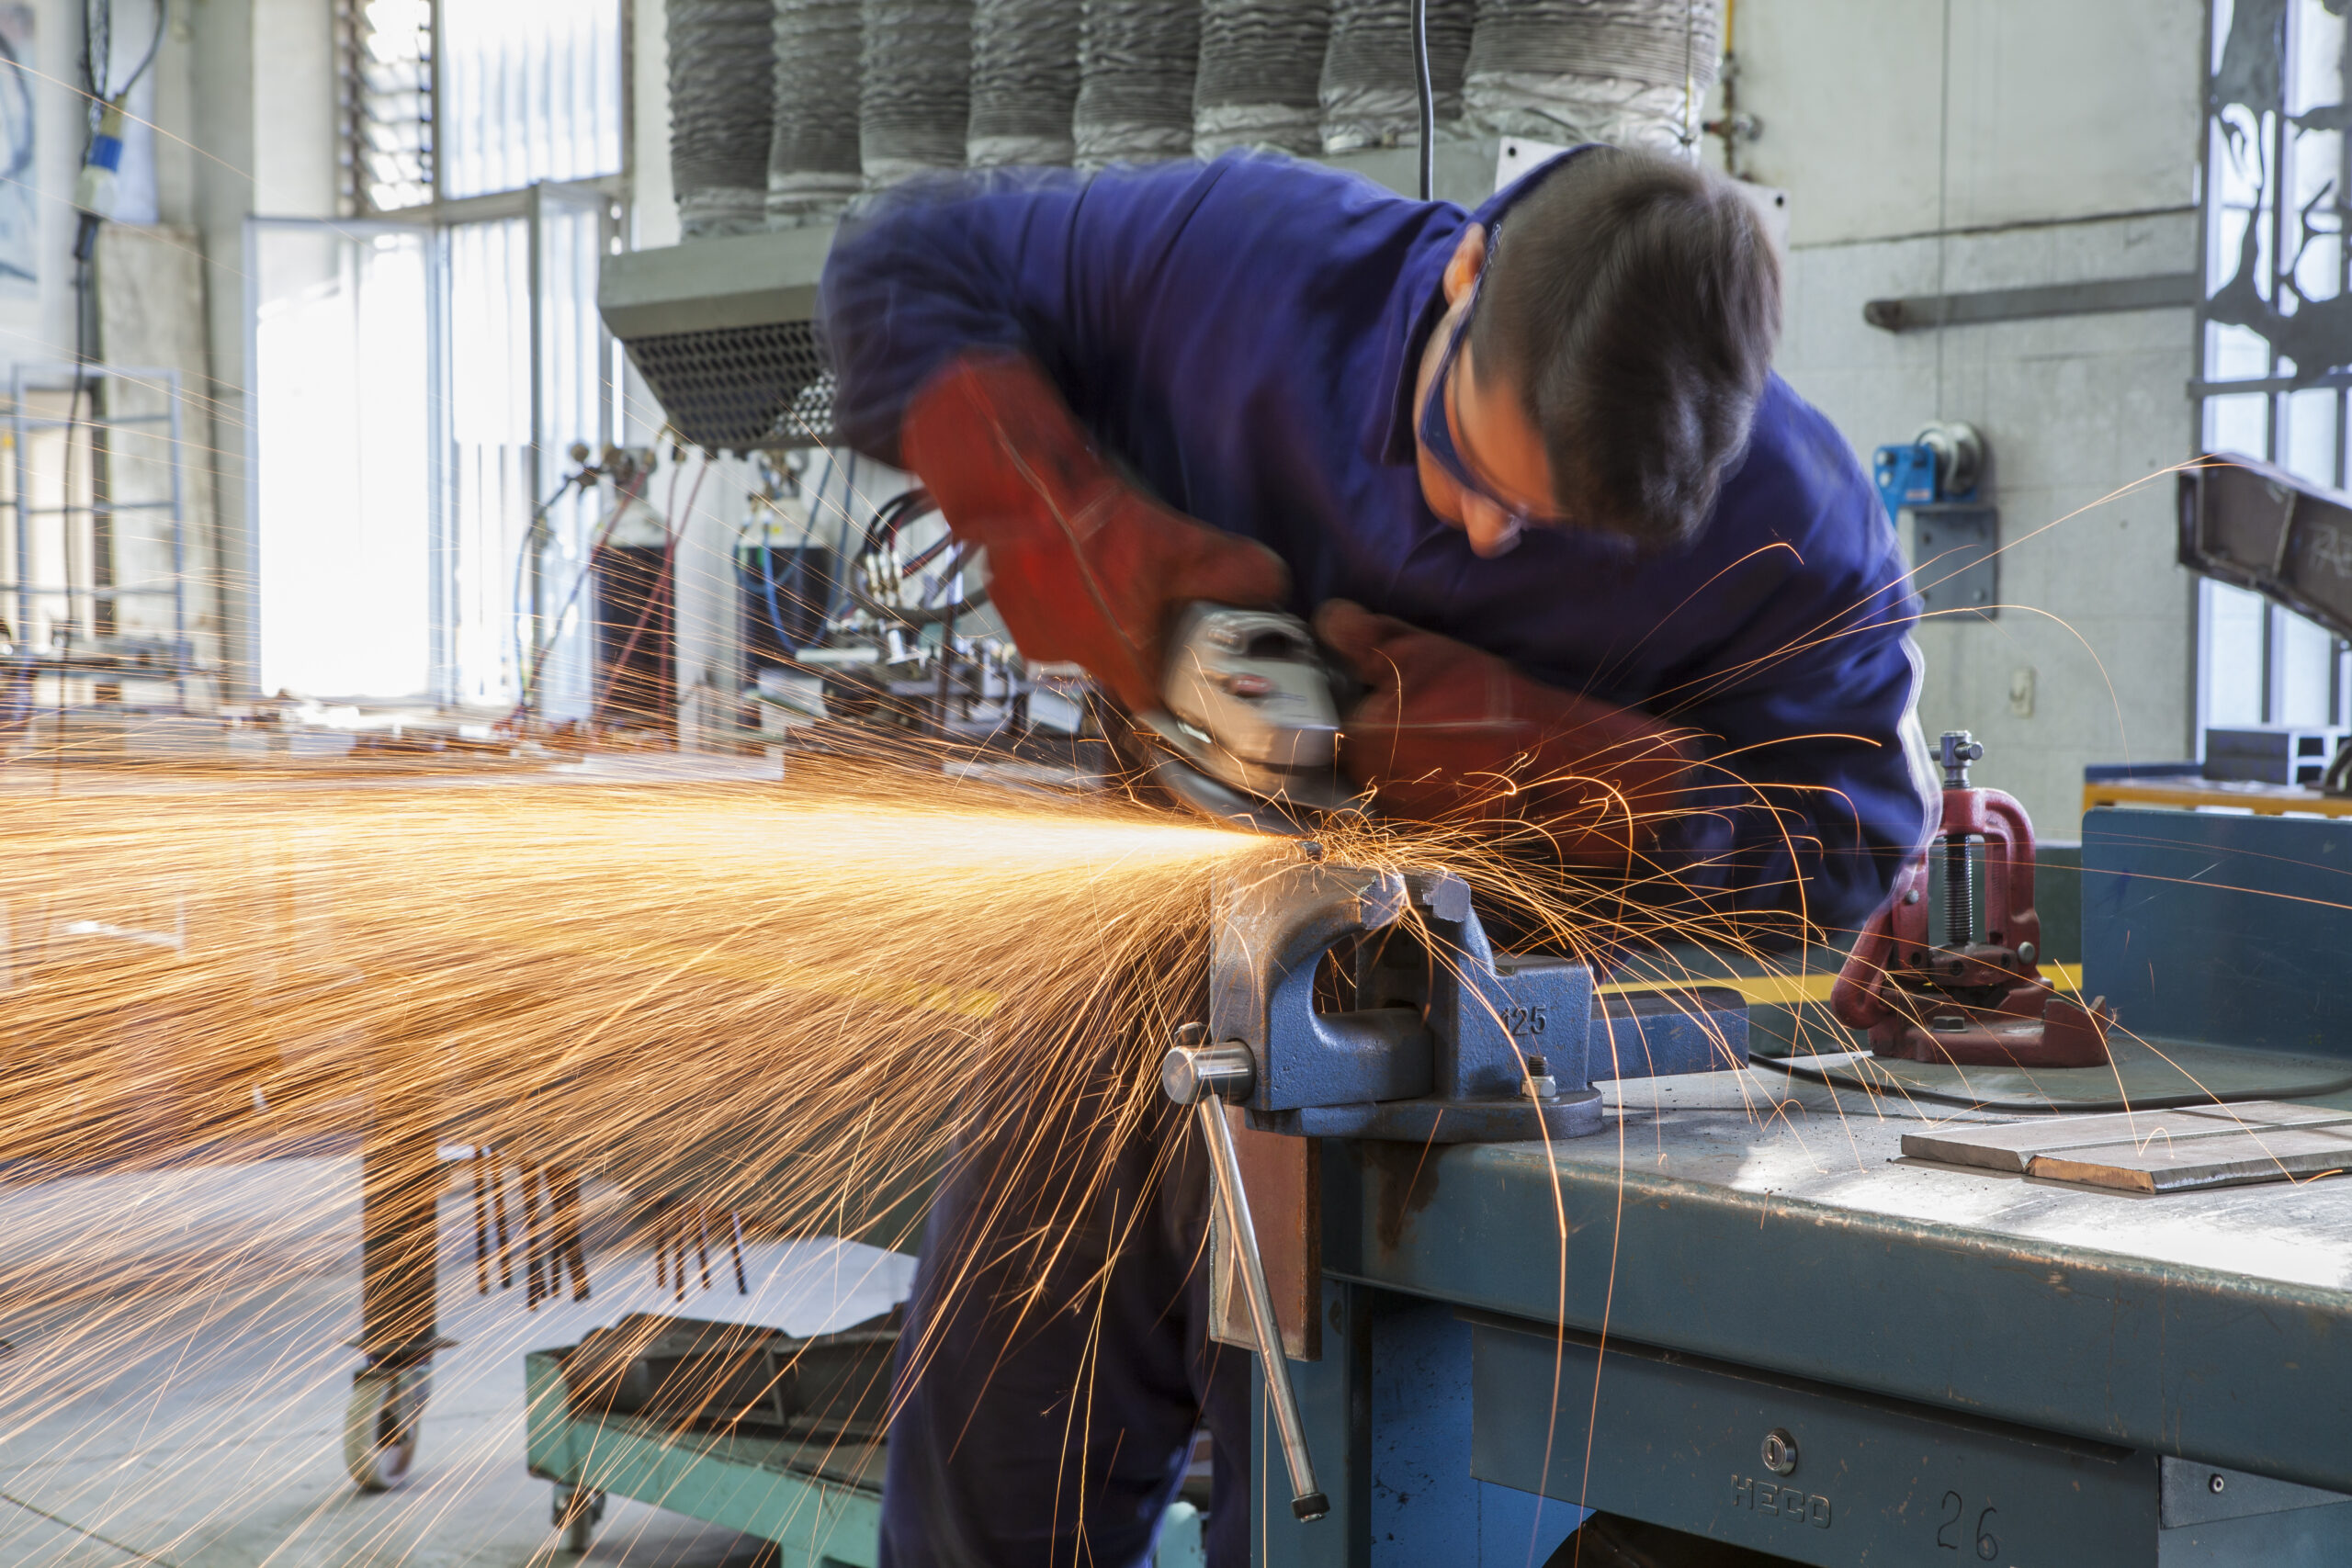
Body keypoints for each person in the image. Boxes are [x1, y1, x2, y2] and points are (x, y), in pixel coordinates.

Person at [820, 146, 1933, 1568]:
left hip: (1495, 1038)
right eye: (1471, 467)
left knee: (1334, 1490)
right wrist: (1092, 538)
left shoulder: (1794, 515)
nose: (1480, 529)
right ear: (1464, 276)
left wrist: (1548, 770)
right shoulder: (1243, 267)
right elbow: (900, 267)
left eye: (1542, 530)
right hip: (1160, 938)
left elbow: (1842, 853)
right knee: (1003, 1398)